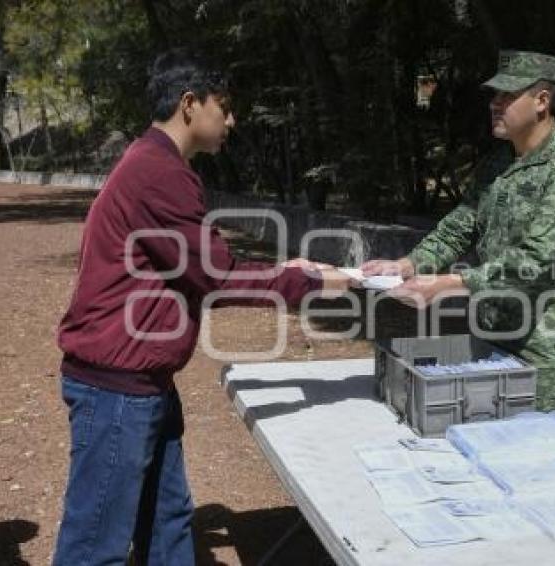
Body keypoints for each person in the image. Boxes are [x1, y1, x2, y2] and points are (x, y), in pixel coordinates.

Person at [53, 50, 351, 565]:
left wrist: (302, 271)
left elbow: (200, 263)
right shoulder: (158, 172)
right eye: (225, 106)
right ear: (190, 104)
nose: (231, 120)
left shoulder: (156, 164)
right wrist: (309, 282)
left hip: (141, 381)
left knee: (168, 521)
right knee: (94, 545)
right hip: (116, 386)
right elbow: (216, 274)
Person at [362, 50, 555, 422]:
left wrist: (447, 284)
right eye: (494, 96)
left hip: (547, 351)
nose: (495, 104)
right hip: (492, 335)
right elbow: (461, 224)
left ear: (542, 101)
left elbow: (533, 260)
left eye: (507, 96)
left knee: (535, 458)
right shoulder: (497, 164)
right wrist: (408, 263)